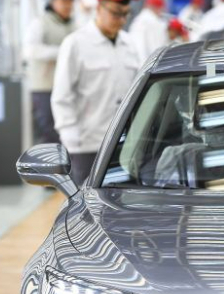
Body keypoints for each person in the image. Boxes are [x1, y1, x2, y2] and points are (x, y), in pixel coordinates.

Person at [51, 0, 141, 185]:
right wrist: (70, 136)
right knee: (87, 205)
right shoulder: (75, 43)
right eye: (116, 13)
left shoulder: (129, 43)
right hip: (87, 144)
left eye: (126, 14)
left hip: (123, 144)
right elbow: (62, 95)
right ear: (99, 8)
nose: (122, 20)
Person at [23, 0, 76, 145]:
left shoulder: (74, 25)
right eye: (64, 3)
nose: (68, 6)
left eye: (70, 3)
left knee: (66, 128)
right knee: (48, 129)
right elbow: (30, 50)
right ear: (52, 3)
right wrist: (60, 52)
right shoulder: (40, 23)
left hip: (68, 87)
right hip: (45, 87)